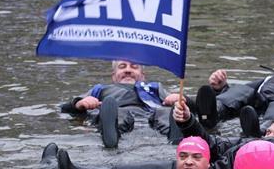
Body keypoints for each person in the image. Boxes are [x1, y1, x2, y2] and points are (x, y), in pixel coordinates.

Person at [49, 117, 274, 169]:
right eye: (266, 131)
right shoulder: (249, 147)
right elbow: (213, 143)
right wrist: (189, 122)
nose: (269, 137)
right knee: (168, 166)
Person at [60, 60, 189, 148]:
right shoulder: (100, 89)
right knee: (117, 111)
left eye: (134, 67)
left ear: (142, 75)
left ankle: (174, 135)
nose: (128, 70)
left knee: (165, 111)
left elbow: (180, 103)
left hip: (149, 114)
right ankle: (112, 135)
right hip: (115, 112)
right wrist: (79, 103)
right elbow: (64, 108)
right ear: (114, 76)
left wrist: (177, 98)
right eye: (122, 67)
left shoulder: (155, 88)